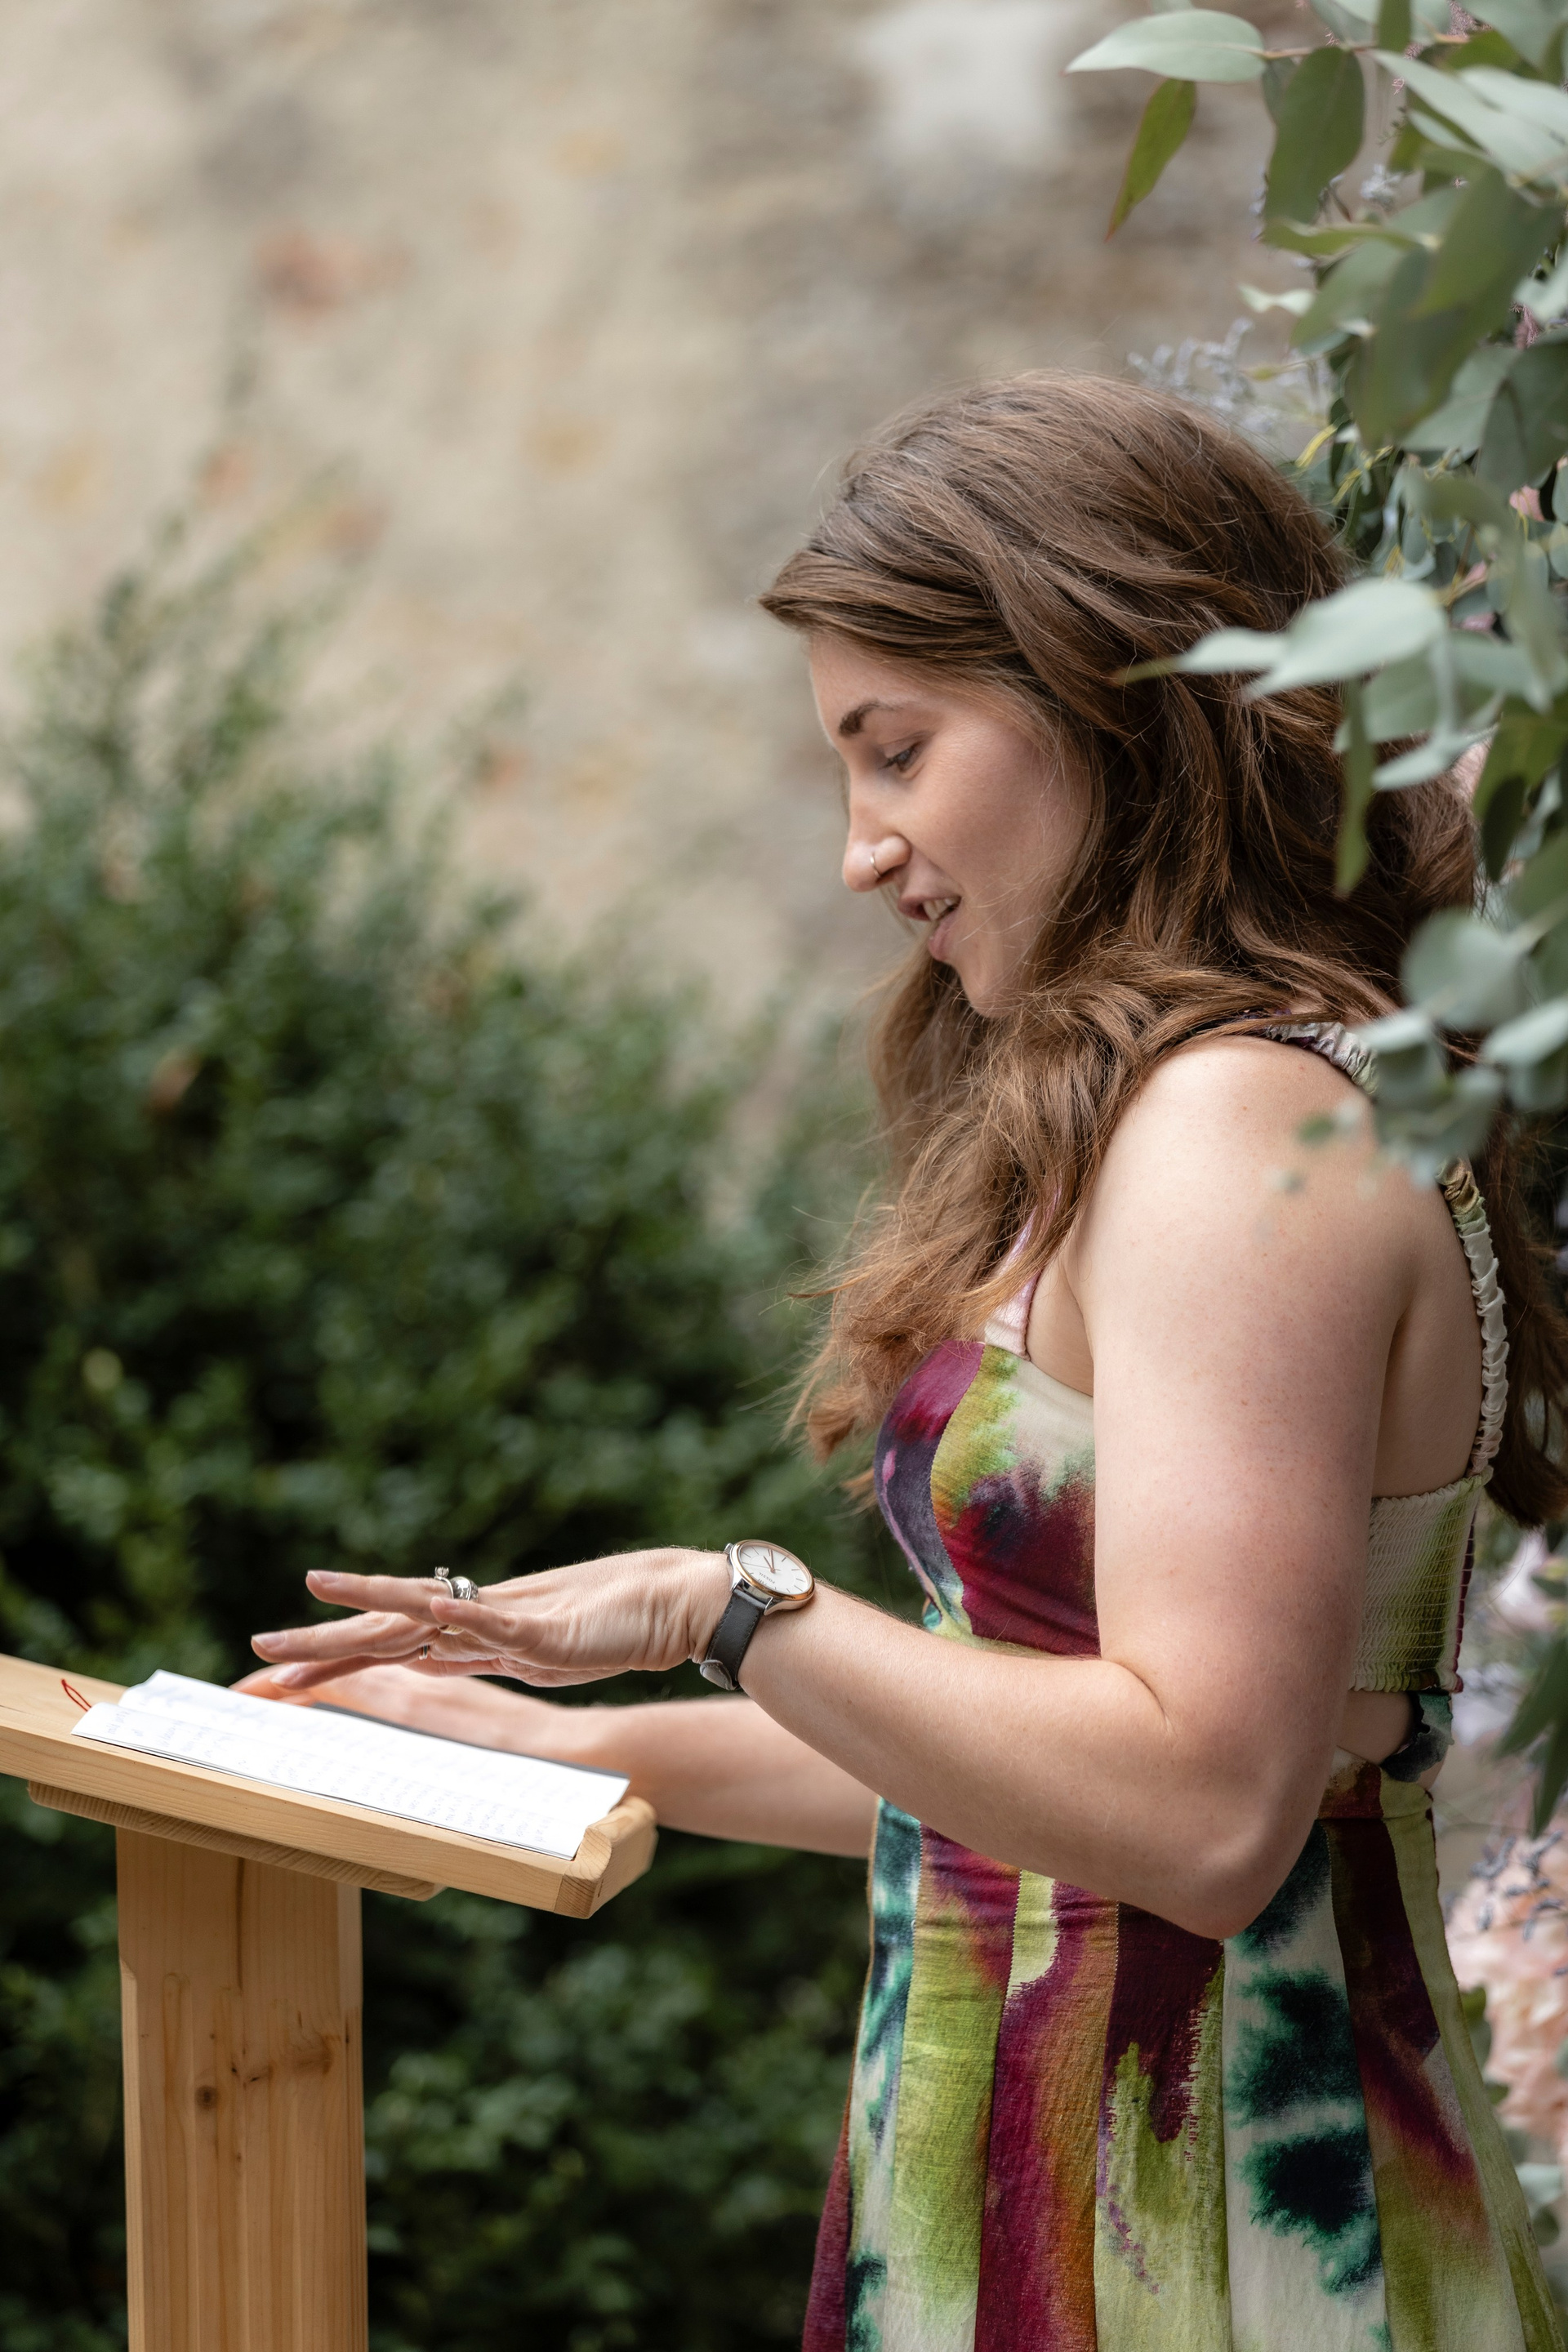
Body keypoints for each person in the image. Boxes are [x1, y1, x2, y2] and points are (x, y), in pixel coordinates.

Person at [241, 376, 1567, 2350]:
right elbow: (1037, 1749)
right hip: (1082, 2184)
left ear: (1106, 694)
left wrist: (723, 1605)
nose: (865, 851)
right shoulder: (1212, 1110)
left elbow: (1206, 1813)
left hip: (1210, 2220)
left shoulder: (1236, 1131)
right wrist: (557, 1741)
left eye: (897, 751)